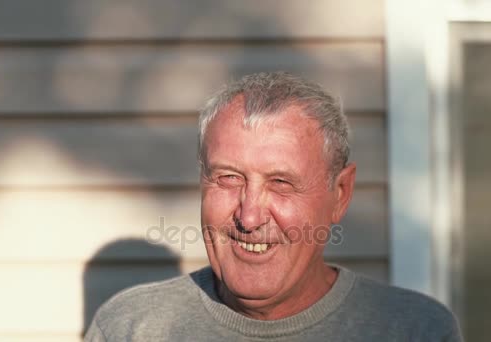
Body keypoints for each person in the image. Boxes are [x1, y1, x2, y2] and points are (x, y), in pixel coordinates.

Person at [85, 72, 462, 341]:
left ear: (340, 194)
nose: (249, 217)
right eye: (228, 178)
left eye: (281, 183)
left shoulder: (414, 330)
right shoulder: (130, 329)